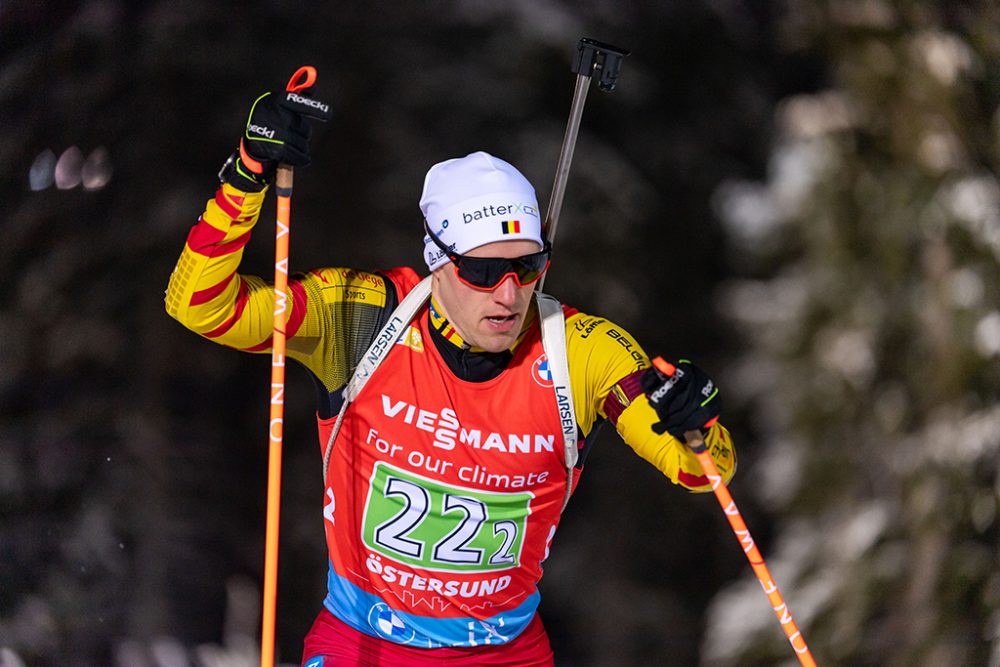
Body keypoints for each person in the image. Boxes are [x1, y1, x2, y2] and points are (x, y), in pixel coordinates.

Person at [165, 81, 736, 666]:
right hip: (364, 644)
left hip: (503, 653)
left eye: (527, 266)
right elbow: (200, 304)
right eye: (484, 271)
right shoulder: (359, 316)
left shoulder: (581, 350)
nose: (510, 294)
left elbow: (701, 471)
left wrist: (694, 418)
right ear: (437, 263)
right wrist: (247, 173)